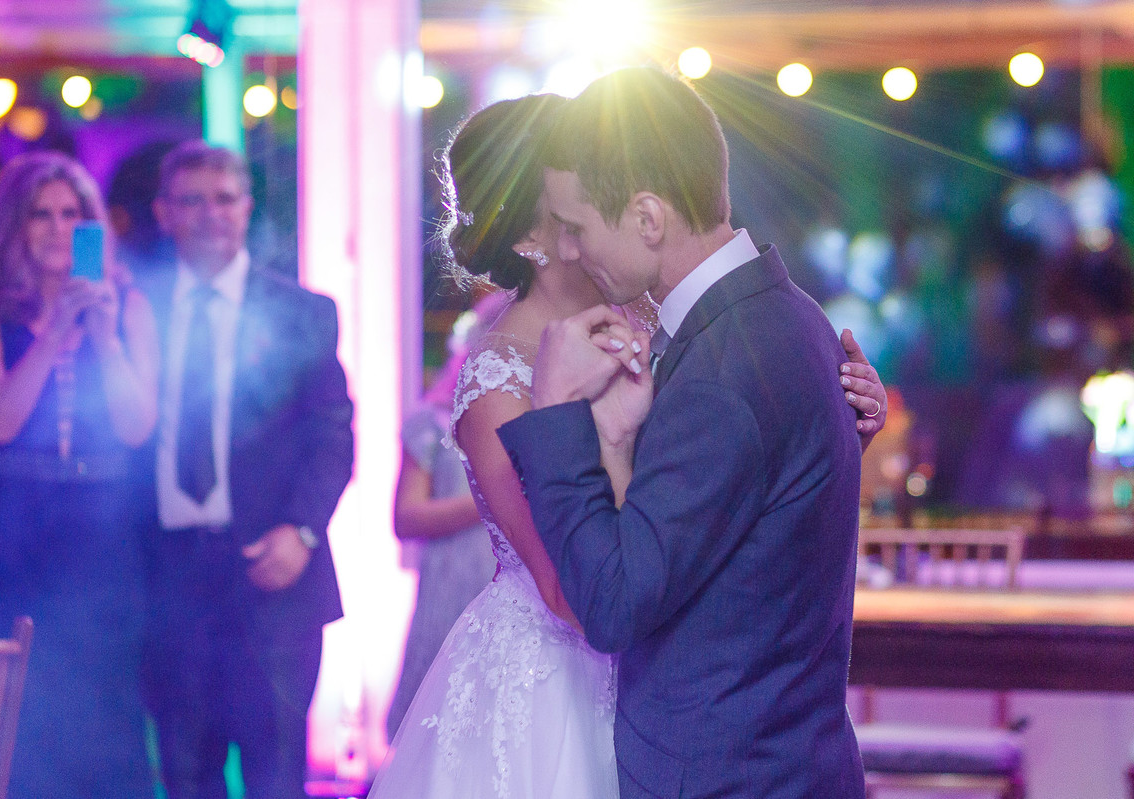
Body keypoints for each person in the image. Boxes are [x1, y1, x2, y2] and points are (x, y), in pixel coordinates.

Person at [370, 91, 884, 798]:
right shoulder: (500, 381)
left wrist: (833, 429)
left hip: (691, 714)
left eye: (582, 221)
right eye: (567, 222)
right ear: (530, 237)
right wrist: (571, 422)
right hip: (562, 694)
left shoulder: (678, 322)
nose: (577, 244)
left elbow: (719, 482)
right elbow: (575, 595)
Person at [138, 141, 354, 799]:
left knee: (276, 777)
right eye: (192, 200)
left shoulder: (302, 312)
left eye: (225, 199)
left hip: (272, 572)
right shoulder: (134, 310)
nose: (211, 214)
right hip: (167, 576)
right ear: (163, 212)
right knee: (184, 776)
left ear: (247, 207)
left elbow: (332, 436)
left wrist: (303, 531)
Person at [0, 150, 159, 798]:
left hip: (100, 528)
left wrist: (103, 334)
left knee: (103, 703)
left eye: (72, 214)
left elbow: (137, 426)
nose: (57, 228)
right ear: (11, 223)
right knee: (13, 710)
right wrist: (55, 329)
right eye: (40, 213)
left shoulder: (127, 305)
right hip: (8, 528)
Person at [385, 294, 506, 742]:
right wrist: (498, 495)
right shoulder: (435, 422)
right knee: (437, 729)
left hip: (512, 581)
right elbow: (406, 516)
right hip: (452, 582)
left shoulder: (543, 412)